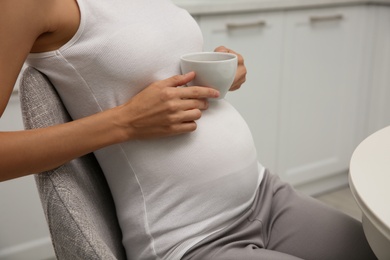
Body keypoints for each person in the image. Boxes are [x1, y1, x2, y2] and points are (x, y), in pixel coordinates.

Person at [0, 0, 376, 259]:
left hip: (266, 195)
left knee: (378, 250)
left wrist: (221, 72)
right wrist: (125, 122)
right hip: (190, 239)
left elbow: (147, 72)